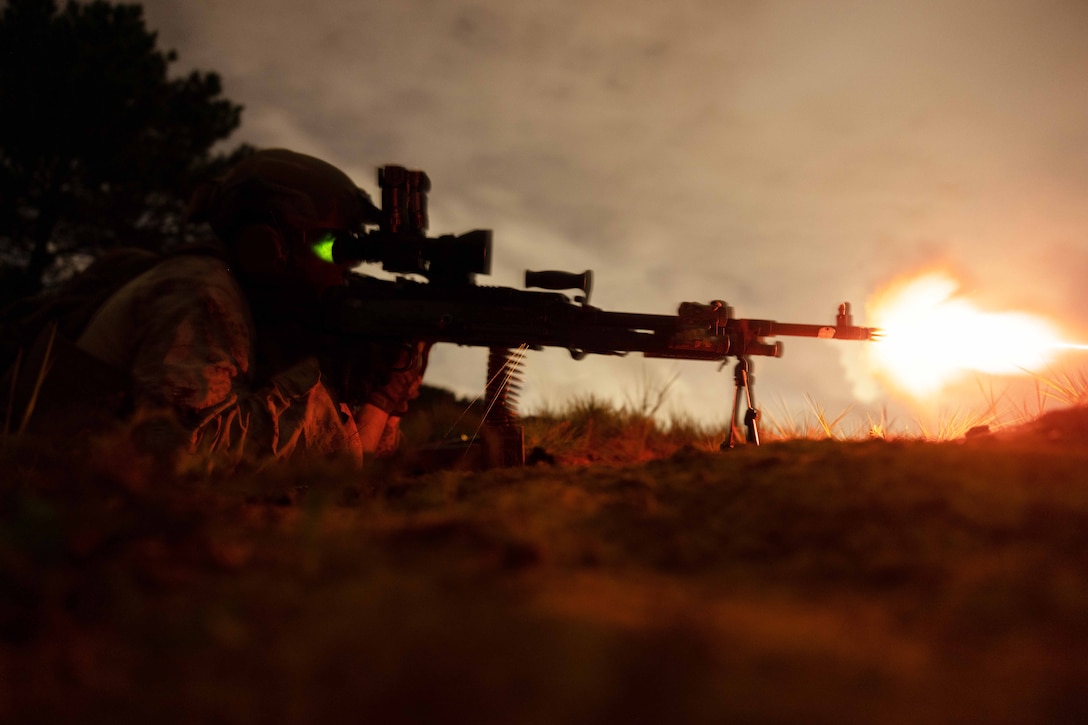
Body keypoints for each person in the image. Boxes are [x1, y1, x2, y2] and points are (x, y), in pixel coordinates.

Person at [3, 149, 428, 468]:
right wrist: (325, 384)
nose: (345, 268)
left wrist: (382, 398)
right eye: (333, 246)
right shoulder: (202, 290)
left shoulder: (254, 307)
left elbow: (352, 468)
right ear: (269, 244)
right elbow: (185, 450)